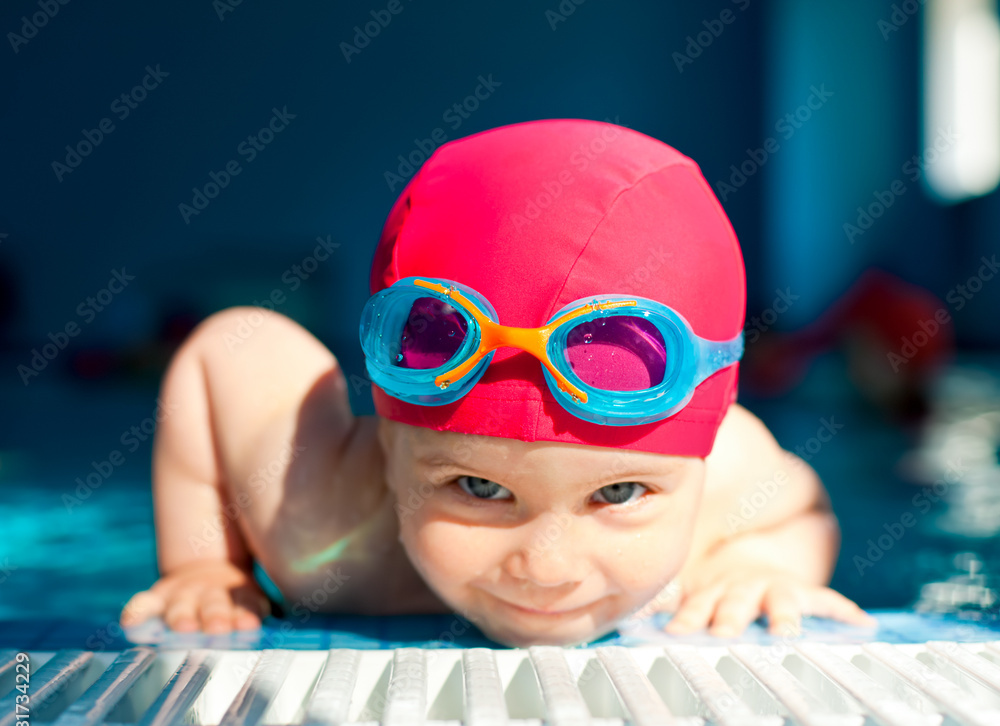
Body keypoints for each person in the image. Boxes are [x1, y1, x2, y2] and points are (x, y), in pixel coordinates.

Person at [121, 119, 874, 646]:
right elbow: (231, 346)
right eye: (478, 488)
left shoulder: (725, 469)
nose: (547, 569)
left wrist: (758, 566)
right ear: (390, 442)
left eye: (617, 494)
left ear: (699, 457)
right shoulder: (315, 520)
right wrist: (208, 565)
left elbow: (800, 512)